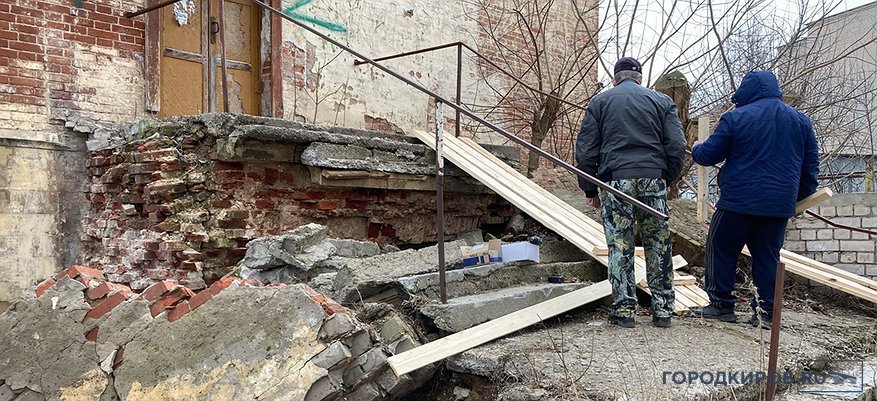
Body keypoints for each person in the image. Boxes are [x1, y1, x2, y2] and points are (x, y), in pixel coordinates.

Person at [691, 70, 819, 329]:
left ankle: (721, 305)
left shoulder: (735, 118)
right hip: (777, 207)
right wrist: (796, 199)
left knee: (721, 248)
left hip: (737, 202)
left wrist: (695, 147)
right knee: (767, 256)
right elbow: (810, 168)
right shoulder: (801, 121)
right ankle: (767, 313)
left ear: (746, 92)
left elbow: (708, 155)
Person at [576, 57, 686, 328]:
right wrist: (667, 178)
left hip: (615, 181)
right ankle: (663, 310)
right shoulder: (662, 102)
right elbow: (676, 144)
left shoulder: (600, 102)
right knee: (658, 244)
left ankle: (624, 310)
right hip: (652, 177)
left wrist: (590, 188)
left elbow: (586, 149)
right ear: (640, 78)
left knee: (620, 245)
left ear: (615, 79)